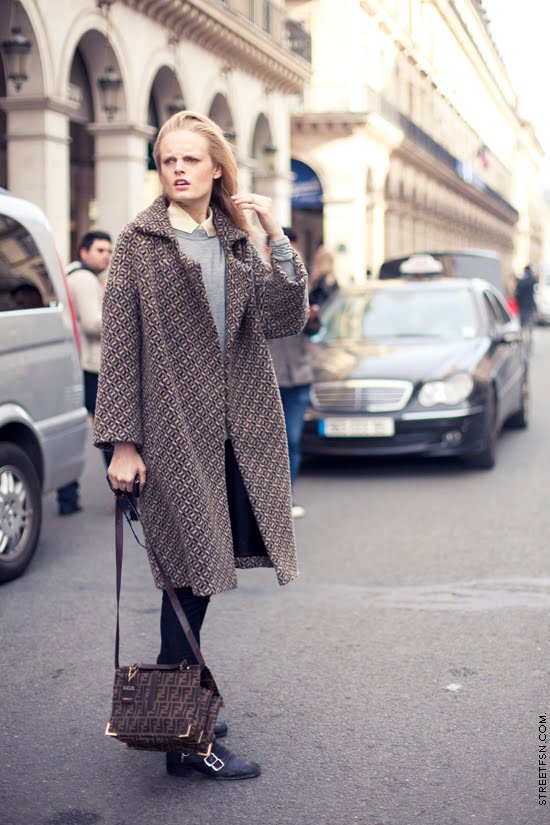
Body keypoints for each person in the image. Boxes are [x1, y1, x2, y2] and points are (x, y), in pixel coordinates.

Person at [93, 111, 309, 781]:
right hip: (172, 435)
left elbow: (282, 317)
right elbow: (121, 344)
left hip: (236, 435)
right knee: (188, 578)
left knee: (194, 579)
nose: (178, 169)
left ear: (217, 168)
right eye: (167, 160)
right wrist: (122, 443)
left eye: (191, 159)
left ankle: (186, 710)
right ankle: (185, 736)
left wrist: (274, 232)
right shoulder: (138, 242)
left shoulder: (238, 242)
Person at [56, 230, 112, 515]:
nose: (106, 256)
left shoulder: (71, 274)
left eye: (109, 251)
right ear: (84, 252)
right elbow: (93, 324)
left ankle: (67, 496)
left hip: (73, 365)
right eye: (100, 250)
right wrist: (122, 316)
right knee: (111, 433)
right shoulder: (85, 279)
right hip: (91, 367)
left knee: (74, 429)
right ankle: (126, 496)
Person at [267, 227, 320, 519]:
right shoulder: (258, 283)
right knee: (269, 442)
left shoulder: (302, 283)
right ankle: (267, 500)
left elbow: (313, 331)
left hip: (298, 377)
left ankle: (287, 496)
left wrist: (313, 317)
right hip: (268, 378)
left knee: (293, 438)